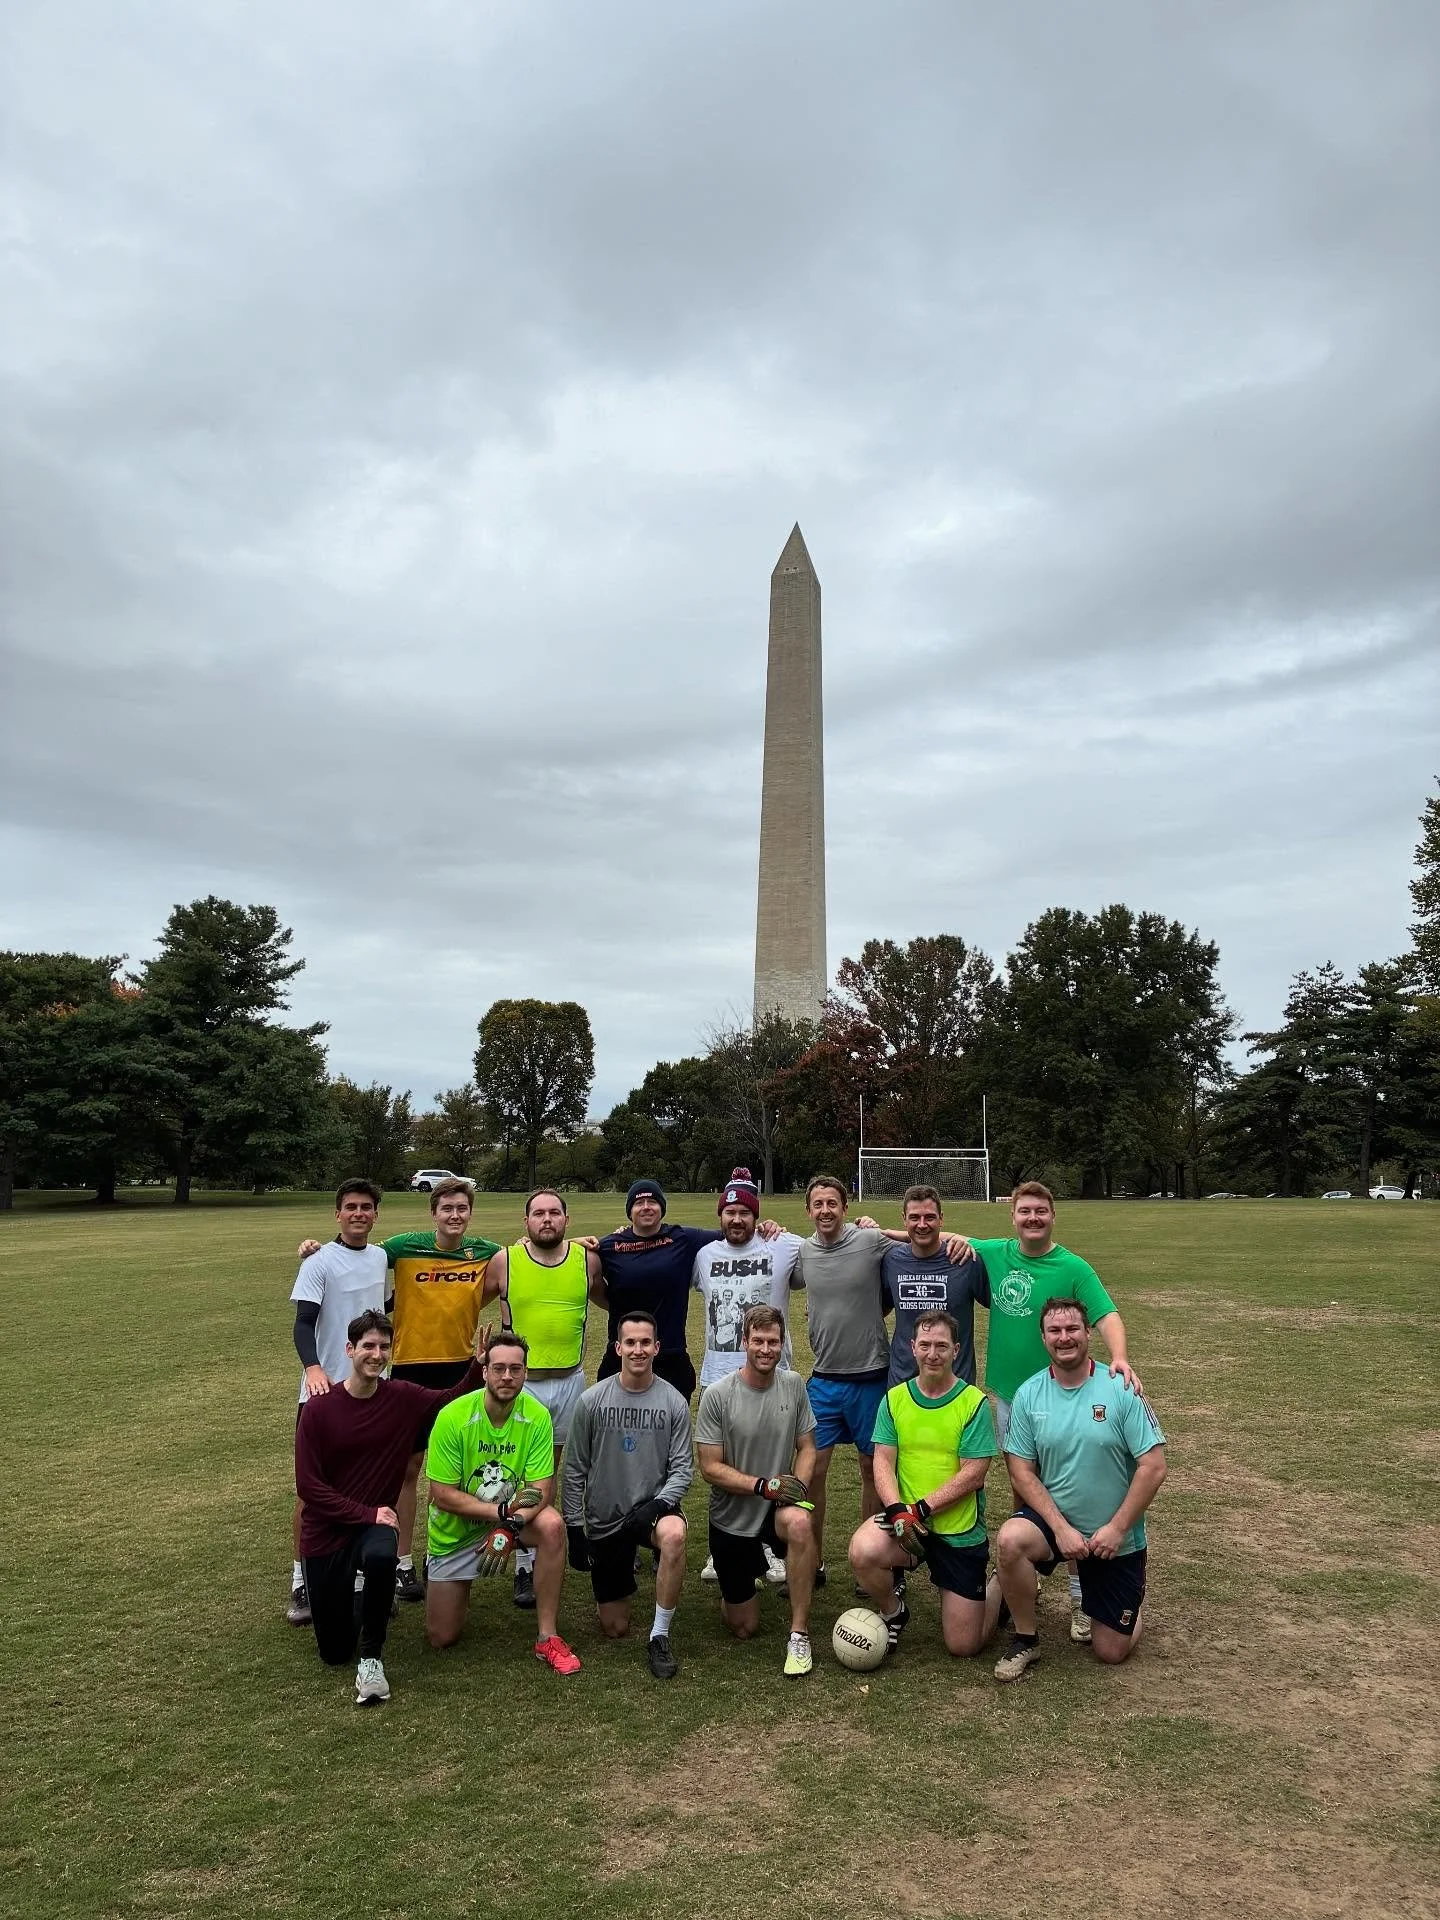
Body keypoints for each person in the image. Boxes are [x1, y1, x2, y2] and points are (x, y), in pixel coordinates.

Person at [298, 1178, 501, 1602]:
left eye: (462, 1208)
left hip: (462, 1368)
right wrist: (315, 1250)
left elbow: (527, 1255)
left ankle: (445, 1555)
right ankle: (401, 1563)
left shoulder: (487, 1252)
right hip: (406, 1367)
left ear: (470, 1212)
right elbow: (352, 1254)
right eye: (446, 1208)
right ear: (433, 1212)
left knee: (461, 1469)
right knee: (405, 1471)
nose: (454, 1215)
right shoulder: (400, 1247)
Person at [959, 1180, 1142, 1645]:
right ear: (1013, 1217)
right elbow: (938, 1236)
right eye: (1025, 1211)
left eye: (1041, 1210)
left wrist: (1119, 1357)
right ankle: (1027, 1580)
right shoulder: (995, 1253)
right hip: (1010, 1397)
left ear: (1052, 1216)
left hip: (1065, 1397)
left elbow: (1107, 1315)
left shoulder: (1073, 1266)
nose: (1033, 1218)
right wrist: (874, 1229)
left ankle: (1085, 1594)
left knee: (1072, 1489)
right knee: (1025, 1487)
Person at [294, 1308, 484, 1707]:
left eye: (383, 1347)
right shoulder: (319, 1411)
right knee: (333, 1652)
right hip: (327, 1530)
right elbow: (310, 1488)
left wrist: (477, 1367)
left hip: (375, 1524)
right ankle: (364, 1601)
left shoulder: (402, 1397)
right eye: (368, 1346)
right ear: (350, 1350)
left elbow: (449, 1400)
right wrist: (364, 1513)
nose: (376, 1354)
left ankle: (372, 1659)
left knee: (383, 1555)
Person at [791, 1174, 968, 1586]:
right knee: (812, 1470)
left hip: (872, 1376)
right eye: (817, 1204)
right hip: (823, 1379)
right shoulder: (801, 1251)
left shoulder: (870, 1241)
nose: (825, 1211)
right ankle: (812, 1563)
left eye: (832, 1203)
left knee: (874, 1469)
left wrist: (960, 1238)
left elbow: (921, 1238)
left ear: (845, 1208)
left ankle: (872, 1559)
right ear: (808, 1210)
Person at [993, 1297, 1166, 1683]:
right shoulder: (1029, 1394)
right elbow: (1021, 1471)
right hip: (1056, 1525)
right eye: (1054, 1330)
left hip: (1113, 1537)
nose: (1064, 1337)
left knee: (1110, 1652)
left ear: (1088, 1333)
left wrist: (1118, 1528)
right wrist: (1060, 1528)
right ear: (1042, 1338)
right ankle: (1026, 1638)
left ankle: (1129, 1601)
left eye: (1072, 1329)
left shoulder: (1121, 1388)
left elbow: (1153, 1467)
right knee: (1010, 1539)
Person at [422, 1326, 581, 1675]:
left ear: (525, 1372)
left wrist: (509, 1526)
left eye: (516, 1369)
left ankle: (547, 1636)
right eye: (499, 1368)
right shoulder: (453, 1416)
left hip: (512, 1520)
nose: (507, 1376)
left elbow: (541, 1487)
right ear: (484, 1371)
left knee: (553, 1525)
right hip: (458, 1530)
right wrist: (498, 1513)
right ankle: (442, 1571)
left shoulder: (537, 1415)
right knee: (441, 1636)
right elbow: (442, 1495)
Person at [848, 1310, 1003, 1658]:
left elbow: (974, 1474)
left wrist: (920, 1509)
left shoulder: (972, 1402)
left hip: (957, 1530)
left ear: (956, 1350)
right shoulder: (895, 1398)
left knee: (964, 1646)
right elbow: (884, 1463)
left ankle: (999, 1586)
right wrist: (897, 1511)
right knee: (862, 1551)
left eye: (942, 1346)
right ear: (912, 1348)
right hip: (907, 1525)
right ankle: (893, 1612)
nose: (933, 1353)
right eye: (926, 1345)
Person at [479, 1189, 606, 1610]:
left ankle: (541, 1550)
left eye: (554, 1212)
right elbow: (465, 1302)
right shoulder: (506, 1261)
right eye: (538, 1213)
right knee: (520, 1472)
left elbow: (611, 1299)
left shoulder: (586, 1260)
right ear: (525, 1221)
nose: (546, 1219)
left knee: (548, 1472)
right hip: (521, 1384)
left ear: (567, 1220)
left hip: (570, 1381)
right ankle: (523, 1565)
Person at [562, 1311, 693, 1679]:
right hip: (606, 1518)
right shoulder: (591, 1401)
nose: (639, 1350)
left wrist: (658, 1504)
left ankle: (659, 1635)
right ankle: (623, 1572)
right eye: (631, 1343)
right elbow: (574, 1470)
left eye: (645, 1343)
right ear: (618, 1347)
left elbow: (683, 1470)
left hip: (652, 1512)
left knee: (674, 1534)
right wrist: (575, 1530)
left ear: (657, 1347)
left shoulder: (673, 1402)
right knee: (615, 1627)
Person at [691, 1168, 804, 1588]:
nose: (737, 1219)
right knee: (722, 1466)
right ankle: (722, 1546)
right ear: (720, 1215)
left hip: (775, 1375)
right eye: (730, 1211)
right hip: (719, 1377)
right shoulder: (703, 1255)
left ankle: (771, 1546)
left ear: (757, 1216)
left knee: (774, 1463)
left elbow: (832, 1248)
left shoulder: (784, 1246)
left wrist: (867, 1225)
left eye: (744, 1212)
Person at [286, 1179, 389, 1626]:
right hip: (324, 1393)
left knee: (366, 1487)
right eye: (350, 1207)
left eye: (366, 1207)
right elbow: (303, 1323)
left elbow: (384, 1308)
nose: (358, 1214)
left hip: (371, 1390)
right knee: (313, 1492)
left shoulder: (382, 1256)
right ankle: (301, 1580)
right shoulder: (318, 1260)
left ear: (375, 1215)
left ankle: (362, 1577)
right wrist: (313, 1368)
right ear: (337, 1214)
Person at [695, 1306, 819, 1676]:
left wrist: (796, 1486)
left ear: (782, 1344)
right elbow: (710, 1467)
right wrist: (763, 1486)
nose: (766, 1349)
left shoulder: (794, 1384)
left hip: (777, 1508)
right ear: (744, 1341)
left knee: (800, 1523)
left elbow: (808, 1446)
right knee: (744, 1627)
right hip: (733, 1515)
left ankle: (799, 1634)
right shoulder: (718, 1395)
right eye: (759, 1341)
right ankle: (741, 1578)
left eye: (774, 1342)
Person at [591, 1177, 782, 1400]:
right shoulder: (610, 1245)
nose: (646, 1207)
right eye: (638, 1203)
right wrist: (612, 1303)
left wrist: (766, 1227)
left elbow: (733, 1229)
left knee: (671, 1425)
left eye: (652, 1202)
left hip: (670, 1353)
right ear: (629, 1210)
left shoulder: (683, 1238)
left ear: (661, 1208)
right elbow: (575, 1256)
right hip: (623, 1351)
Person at [881, 1185, 990, 1389]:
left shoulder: (966, 1260)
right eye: (914, 1217)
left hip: (956, 1387)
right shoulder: (891, 1261)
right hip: (903, 1384)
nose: (922, 1225)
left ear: (941, 1218)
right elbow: (880, 1307)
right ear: (904, 1219)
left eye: (929, 1217)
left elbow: (1000, 1306)